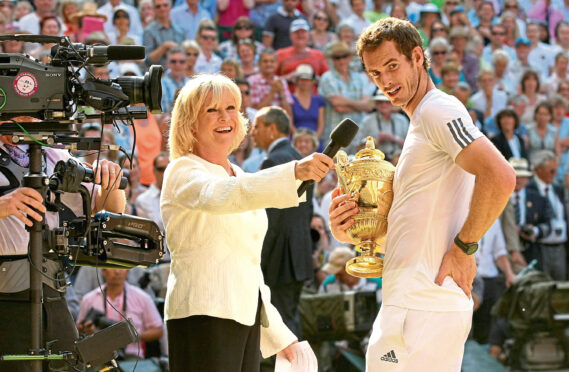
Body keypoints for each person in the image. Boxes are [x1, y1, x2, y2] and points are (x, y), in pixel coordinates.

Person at [329, 18, 515, 371]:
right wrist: (352, 230)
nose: (385, 81)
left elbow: (501, 175)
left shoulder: (436, 110)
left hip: (422, 306)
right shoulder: (424, 121)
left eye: (391, 66)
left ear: (418, 56)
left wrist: (465, 249)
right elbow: (414, 230)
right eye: (375, 74)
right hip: (416, 303)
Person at [160, 74, 334, 371]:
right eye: (211, 110)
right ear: (189, 122)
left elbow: (249, 268)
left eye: (231, 107)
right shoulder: (182, 170)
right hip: (203, 314)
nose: (225, 117)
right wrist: (293, 172)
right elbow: (219, 196)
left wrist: (283, 338)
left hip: (245, 318)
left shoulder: (241, 175)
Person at [0, 117, 125, 372]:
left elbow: (110, 210)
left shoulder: (54, 152)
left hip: (53, 294)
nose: (29, 119)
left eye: (37, 111)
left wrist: (109, 179)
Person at [76, 268, 164, 359]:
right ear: (103, 271)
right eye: (113, 267)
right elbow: (78, 330)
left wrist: (132, 335)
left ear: (128, 271)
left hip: (131, 356)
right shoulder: (89, 299)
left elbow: (158, 331)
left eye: (121, 267)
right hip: (99, 355)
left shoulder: (142, 297)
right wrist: (88, 331)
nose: (117, 271)